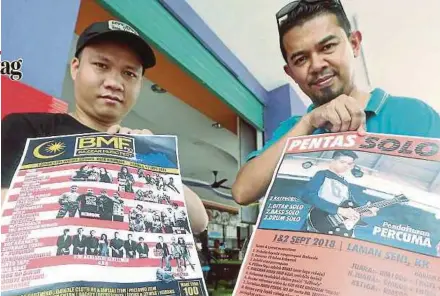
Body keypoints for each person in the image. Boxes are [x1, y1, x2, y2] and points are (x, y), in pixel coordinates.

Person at [1, 19, 208, 234]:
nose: (114, 83)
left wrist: (151, 164)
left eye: (129, 73)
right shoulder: (28, 129)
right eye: (101, 65)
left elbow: (198, 221)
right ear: (75, 68)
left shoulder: (138, 148)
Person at [232, 0, 440, 206]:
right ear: (291, 73)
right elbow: (242, 192)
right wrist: (308, 123)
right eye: (301, 59)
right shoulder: (292, 129)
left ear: (354, 44)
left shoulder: (413, 114)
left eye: (328, 47)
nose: (316, 65)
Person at [300, 150, 377, 235]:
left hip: (336, 229)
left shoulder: (346, 184)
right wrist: (339, 210)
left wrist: (364, 212)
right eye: (342, 162)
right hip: (317, 222)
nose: (346, 166)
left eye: (349, 164)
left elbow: (349, 207)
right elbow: (307, 196)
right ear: (333, 161)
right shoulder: (322, 174)